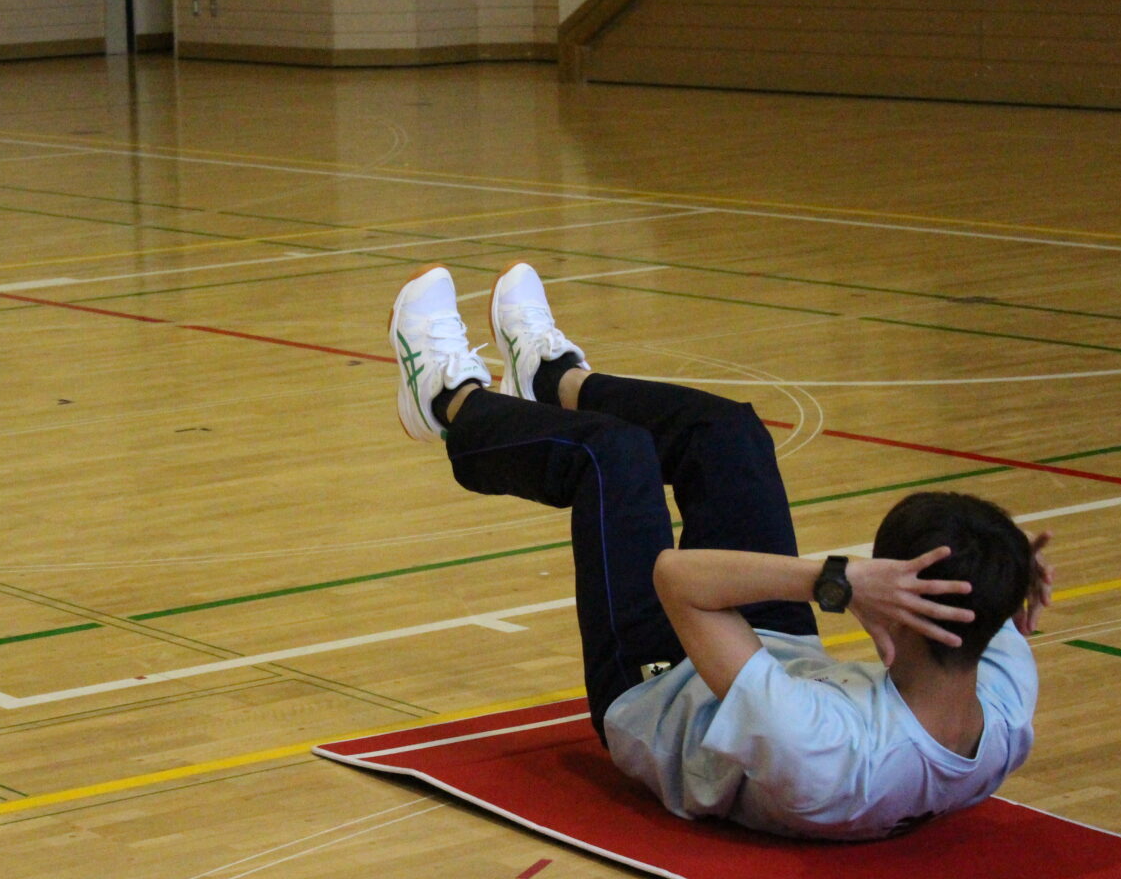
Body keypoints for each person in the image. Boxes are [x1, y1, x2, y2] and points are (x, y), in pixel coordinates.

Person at [388, 263, 1053, 841]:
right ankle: (554, 378)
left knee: (613, 456)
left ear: (896, 614)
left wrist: (837, 582)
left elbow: (675, 579)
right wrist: (1008, 560)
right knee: (730, 434)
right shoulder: (1002, 710)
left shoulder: (830, 752)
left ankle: (448, 400)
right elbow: (990, 602)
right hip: (774, 663)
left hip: (656, 689)